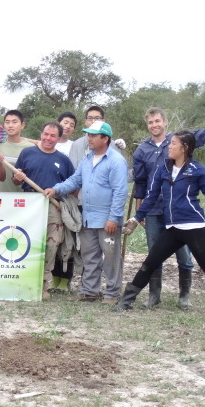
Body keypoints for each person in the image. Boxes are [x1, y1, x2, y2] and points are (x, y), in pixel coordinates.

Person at [117, 130, 205, 317]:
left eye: (173, 143)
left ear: (184, 148)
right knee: (150, 263)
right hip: (173, 229)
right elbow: (151, 197)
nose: (169, 146)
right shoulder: (163, 169)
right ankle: (126, 302)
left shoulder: (198, 170)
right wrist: (136, 218)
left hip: (194, 227)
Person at [45, 121, 128, 304]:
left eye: (93, 135)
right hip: (88, 217)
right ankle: (90, 291)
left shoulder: (116, 161)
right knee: (89, 256)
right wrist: (56, 189)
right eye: (88, 135)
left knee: (111, 258)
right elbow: (75, 181)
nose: (89, 138)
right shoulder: (87, 159)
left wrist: (114, 218)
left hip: (107, 219)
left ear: (105, 139)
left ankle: (112, 293)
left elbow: (120, 192)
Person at [13, 122, 74, 300]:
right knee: (26, 242)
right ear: (41, 133)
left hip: (53, 204)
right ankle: (23, 282)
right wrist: (17, 178)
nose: (48, 138)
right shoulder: (27, 153)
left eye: (53, 136)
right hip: (29, 203)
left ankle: (42, 285)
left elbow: (72, 184)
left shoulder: (63, 160)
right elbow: (15, 181)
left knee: (51, 244)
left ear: (59, 138)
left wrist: (62, 199)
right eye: (46, 134)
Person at [51, 111, 79, 292]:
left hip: (68, 199)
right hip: (49, 197)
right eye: (65, 122)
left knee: (68, 241)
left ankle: (65, 281)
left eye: (72, 125)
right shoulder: (46, 143)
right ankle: (53, 278)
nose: (67, 126)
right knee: (54, 240)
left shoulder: (74, 147)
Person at [0, 110, 35, 193]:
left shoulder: (31, 148)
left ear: (22, 125)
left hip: (23, 198)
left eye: (14, 122)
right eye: (7, 122)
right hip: (0, 196)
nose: (10, 125)